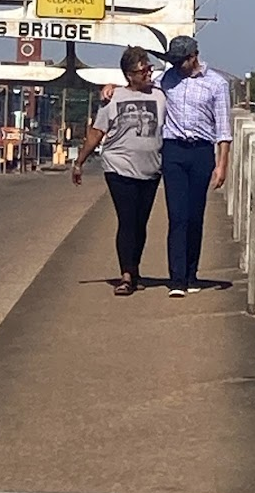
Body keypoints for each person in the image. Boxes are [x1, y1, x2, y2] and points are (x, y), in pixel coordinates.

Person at [101, 35, 232, 299]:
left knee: (195, 216)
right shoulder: (165, 80)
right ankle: (177, 279)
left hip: (201, 151)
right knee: (177, 216)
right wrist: (110, 87)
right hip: (173, 151)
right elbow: (137, 85)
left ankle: (191, 273)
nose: (176, 66)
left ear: (193, 57)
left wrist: (222, 166)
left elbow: (223, 130)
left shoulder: (217, 84)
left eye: (180, 61)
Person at [73, 46, 166, 296]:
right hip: (119, 167)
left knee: (140, 222)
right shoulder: (113, 99)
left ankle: (134, 269)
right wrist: (79, 161)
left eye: (149, 68)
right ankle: (126, 275)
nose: (148, 73)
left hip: (151, 169)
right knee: (127, 220)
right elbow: (97, 132)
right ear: (129, 75)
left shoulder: (161, 96)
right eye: (142, 69)